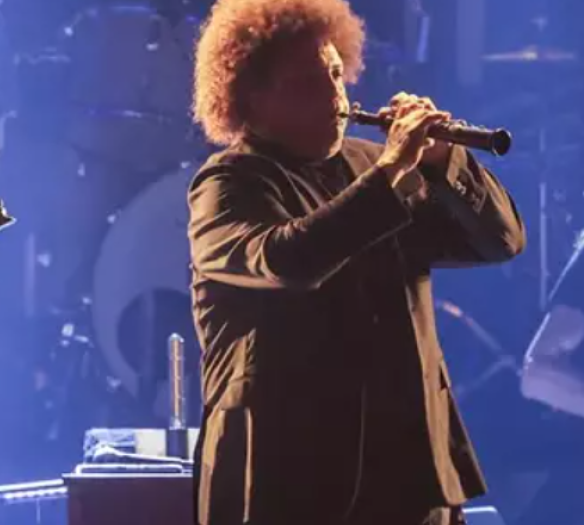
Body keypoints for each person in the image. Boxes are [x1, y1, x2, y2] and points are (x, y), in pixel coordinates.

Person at [186, 1, 526, 524]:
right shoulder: (228, 183)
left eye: (336, 74)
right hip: (289, 481)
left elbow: (499, 241)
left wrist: (445, 161)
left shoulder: (377, 168)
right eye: (306, 84)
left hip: (411, 477)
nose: (335, 97)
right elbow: (289, 260)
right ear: (250, 98)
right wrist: (392, 170)